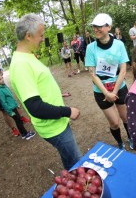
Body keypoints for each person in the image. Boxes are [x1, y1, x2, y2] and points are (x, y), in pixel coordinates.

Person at [10, 14, 82, 170]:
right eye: (41, 35)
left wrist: (56, 94)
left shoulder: (28, 56)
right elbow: (35, 107)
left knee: (71, 161)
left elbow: (38, 87)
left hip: (57, 122)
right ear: (28, 36)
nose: (43, 39)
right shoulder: (21, 65)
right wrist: (67, 111)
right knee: (76, 164)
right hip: (53, 127)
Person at [85, 13, 132, 150]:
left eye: (99, 26)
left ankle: (130, 137)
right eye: (94, 26)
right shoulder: (90, 48)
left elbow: (123, 69)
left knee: (126, 118)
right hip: (101, 91)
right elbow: (92, 74)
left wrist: (115, 92)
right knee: (115, 123)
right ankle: (119, 142)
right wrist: (107, 93)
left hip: (119, 88)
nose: (96, 29)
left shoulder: (119, 45)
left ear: (109, 27)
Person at [0, 74, 35, 140]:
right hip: (11, 109)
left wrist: (16, 104)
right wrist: (10, 112)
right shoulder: (0, 91)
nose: (2, 80)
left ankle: (23, 134)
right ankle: (26, 134)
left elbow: (11, 97)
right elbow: (3, 103)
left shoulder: (4, 86)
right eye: (0, 79)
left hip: (13, 106)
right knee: (18, 121)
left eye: (2, 78)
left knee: (18, 120)